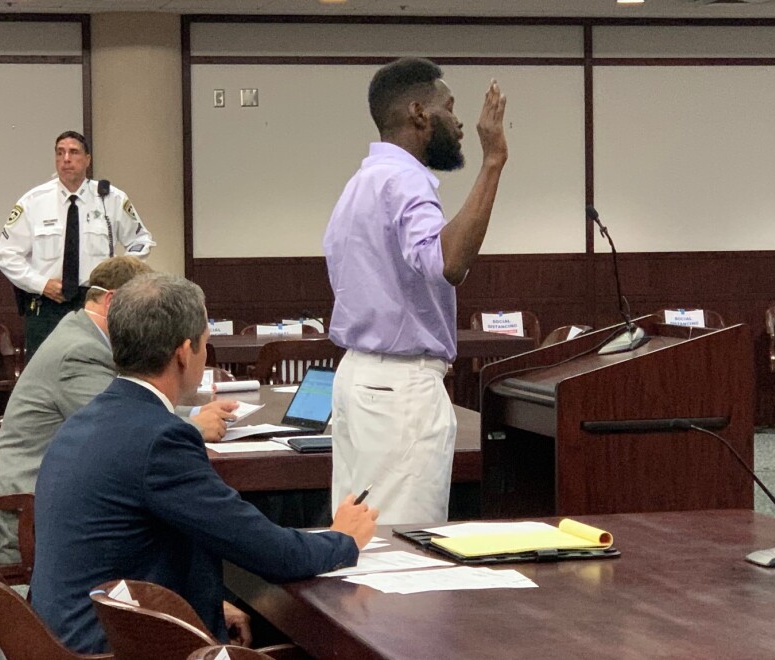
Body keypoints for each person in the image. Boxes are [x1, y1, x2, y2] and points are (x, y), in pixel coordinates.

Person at [30, 273, 378, 654]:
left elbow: (124, 548)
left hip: (65, 636)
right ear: (184, 351)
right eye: (205, 343)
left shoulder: (86, 419)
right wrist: (342, 539)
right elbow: (271, 552)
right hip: (116, 647)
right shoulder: (162, 439)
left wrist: (205, 605)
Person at [324, 57, 508, 524]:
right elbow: (447, 263)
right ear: (419, 113)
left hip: (357, 380)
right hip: (400, 390)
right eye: (449, 107)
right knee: (405, 549)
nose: (460, 120)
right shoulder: (407, 180)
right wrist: (493, 162)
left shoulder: (360, 182)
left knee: (359, 537)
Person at [0, 256, 237, 565]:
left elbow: (129, 412)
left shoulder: (81, 334)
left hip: (53, 499)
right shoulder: (80, 351)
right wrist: (195, 424)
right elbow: (120, 429)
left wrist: (192, 414)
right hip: (33, 516)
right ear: (113, 300)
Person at [0, 130, 155, 360]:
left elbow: (142, 241)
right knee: (45, 372)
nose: (66, 159)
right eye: (60, 153)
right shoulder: (33, 202)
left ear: (87, 159)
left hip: (95, 302)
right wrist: (41, 283)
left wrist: (120, 274)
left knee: (98, 367)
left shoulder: (111, 199)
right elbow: (5, 255)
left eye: (73, 152)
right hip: (47, 304)